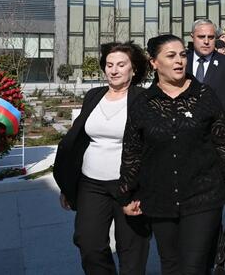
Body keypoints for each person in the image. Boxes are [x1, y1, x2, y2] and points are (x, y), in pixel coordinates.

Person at [118, 34, 225, 275]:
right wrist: (127, 193)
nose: (179, 61)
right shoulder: (143, 103)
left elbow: (224, 145)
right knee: (171, 264)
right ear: (154, 62)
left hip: (203, 196)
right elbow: (132, 151)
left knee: (194, 266)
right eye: (171, 56)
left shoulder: (205, 95)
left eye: (183, 55)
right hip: (159, 198)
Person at [53, 41, 150, 275]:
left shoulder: (144, 99)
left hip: (129, 185)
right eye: (109, 65)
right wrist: (68, 185)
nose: (114, 70)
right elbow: (77, 141)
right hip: (91, 184)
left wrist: (142, 193)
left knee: (132, 250)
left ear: (134, 69)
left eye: (121, 65)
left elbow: (152, 147)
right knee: (88, 243)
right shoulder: (94, 96)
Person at [187, 19, 225, 107]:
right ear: (192, 37)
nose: (206, 42)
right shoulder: (182, 62)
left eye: (211, 37)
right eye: (201, 37)